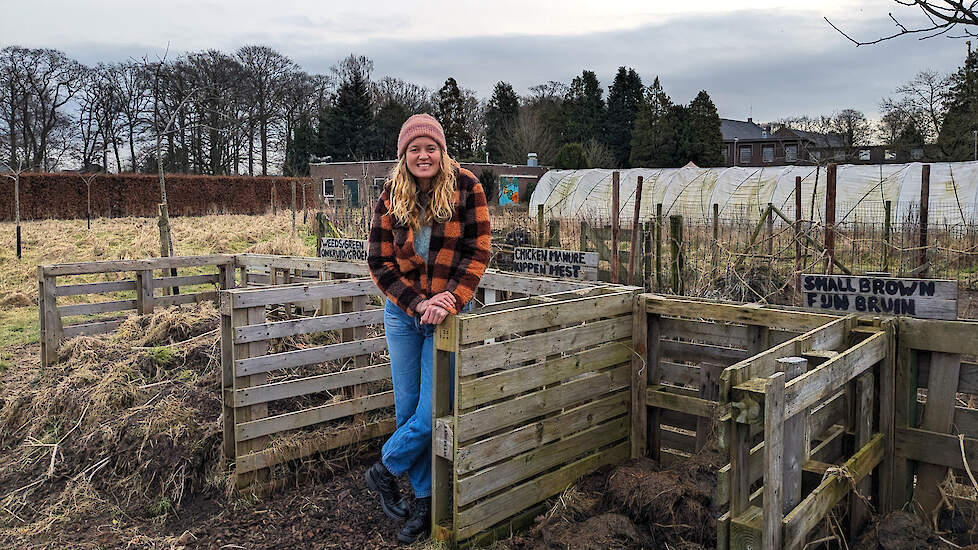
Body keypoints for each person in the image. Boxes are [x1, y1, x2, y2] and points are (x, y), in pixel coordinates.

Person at [364, 114, 491, 544]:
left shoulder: (466, 186)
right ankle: (423, 504)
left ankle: (384, 468)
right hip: (403, 314)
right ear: (404, 154)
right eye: (415, 148)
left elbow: (478, 250)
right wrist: (418, 303)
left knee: (432, 411)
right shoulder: (389, 195)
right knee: (408, 408)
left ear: (442, 151)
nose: (424, 155)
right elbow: (379, 263)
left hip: (449, 316)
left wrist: (449, 299)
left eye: (430, 147)